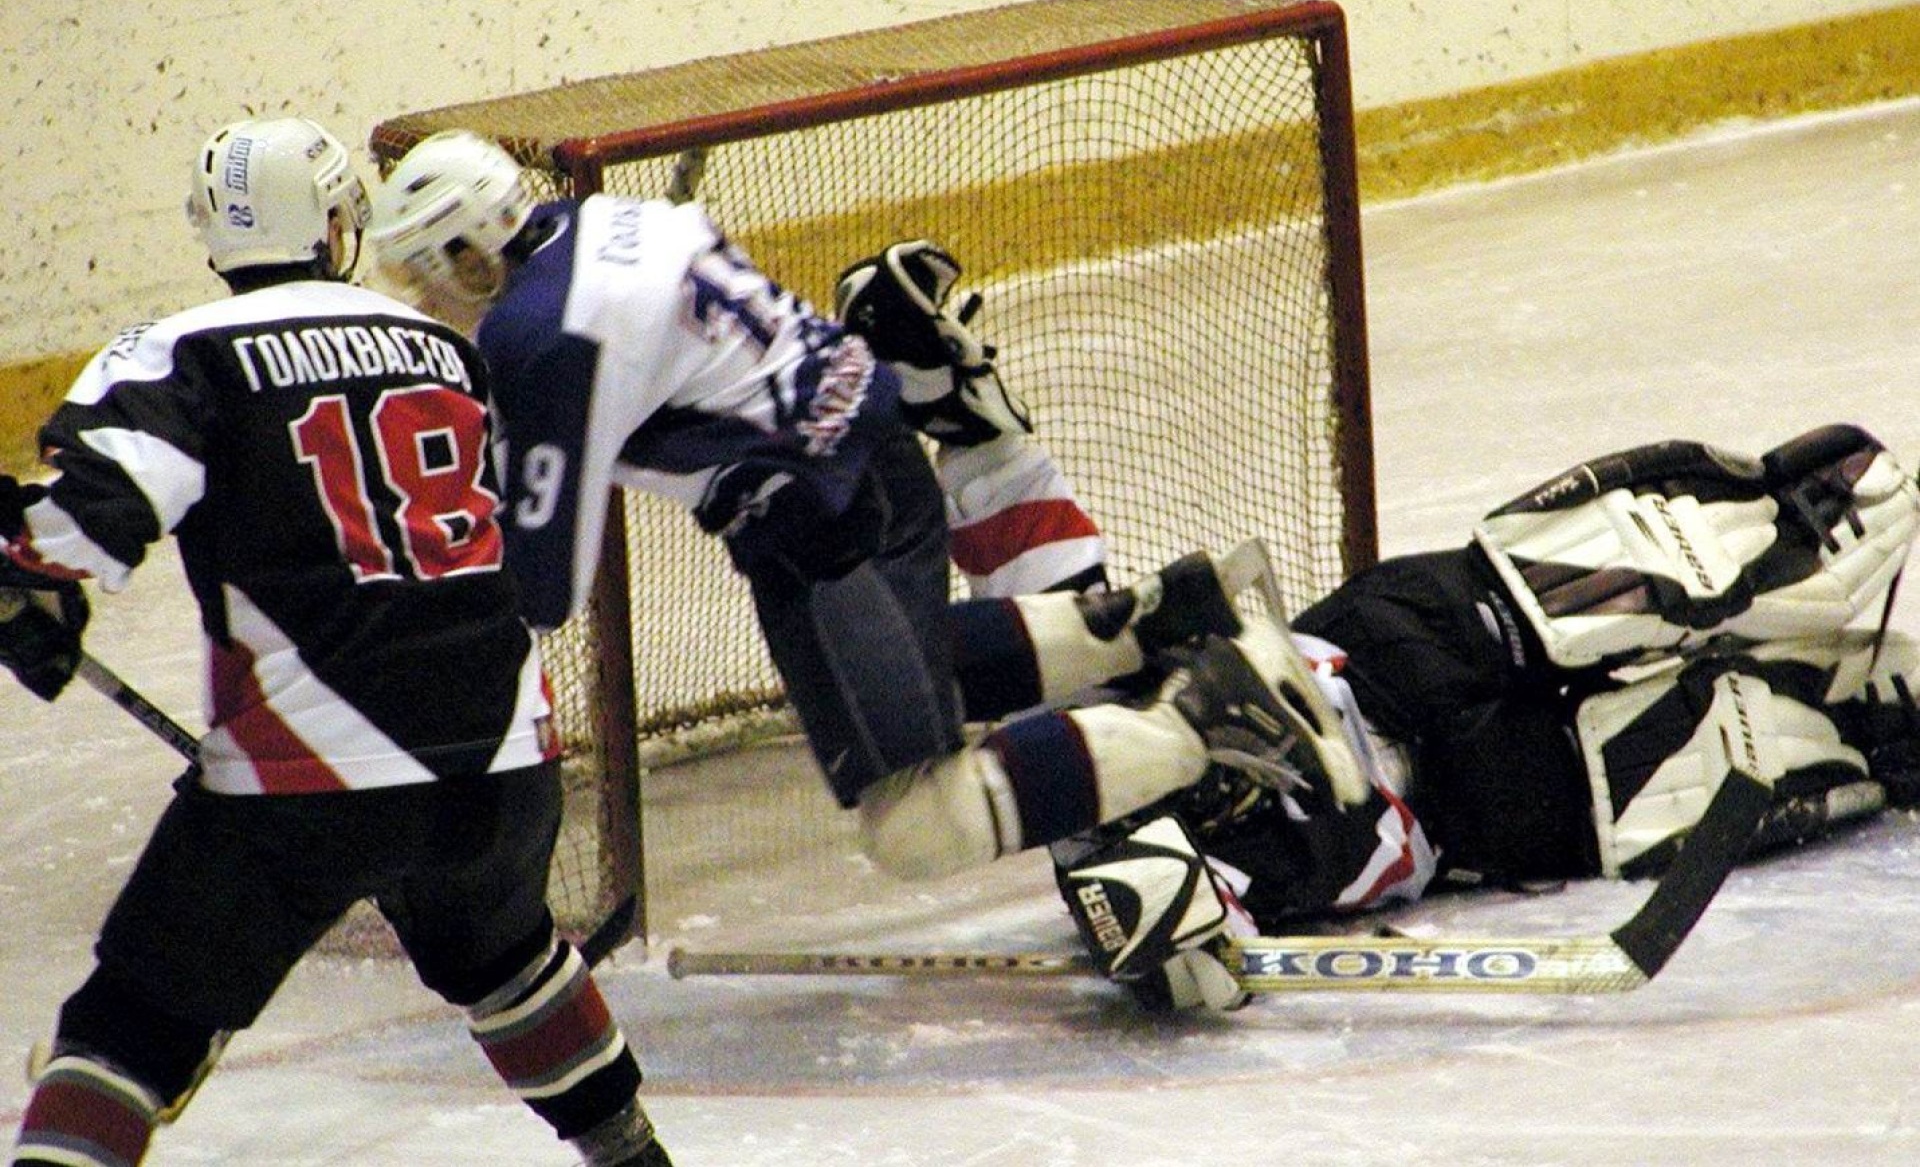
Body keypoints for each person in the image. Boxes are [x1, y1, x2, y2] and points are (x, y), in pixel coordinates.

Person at [831, 238, 1920, 1010]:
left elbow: (1194, 966)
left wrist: (1175, 957)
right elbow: (1187, 954)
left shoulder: (1098, 827)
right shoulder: (1097, 812)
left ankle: (1203, 714)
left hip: (1415, 759)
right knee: (1721, 726)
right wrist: (1172, 948)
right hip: (1413, 721)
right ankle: (987, 441)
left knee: (1715, 688)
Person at [364, 134, 1365, 917]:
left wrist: (418, 632)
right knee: (919, 665)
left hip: (827, 531)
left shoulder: (538, 335)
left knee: (913, 822)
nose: (427, 301)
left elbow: (545, 588)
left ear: (469, 250)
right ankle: (1162, 615)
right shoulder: (607, 218)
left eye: (426, 275)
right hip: (878, 457)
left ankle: (1212, 713)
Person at [1, 118, 672, 1166]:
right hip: (502, 759)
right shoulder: (445, 345)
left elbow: (79, 528)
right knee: (505, 954)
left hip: (309, 778)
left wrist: (17, 579)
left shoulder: (181, 351)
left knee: (130, 1025)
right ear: (331, 223)